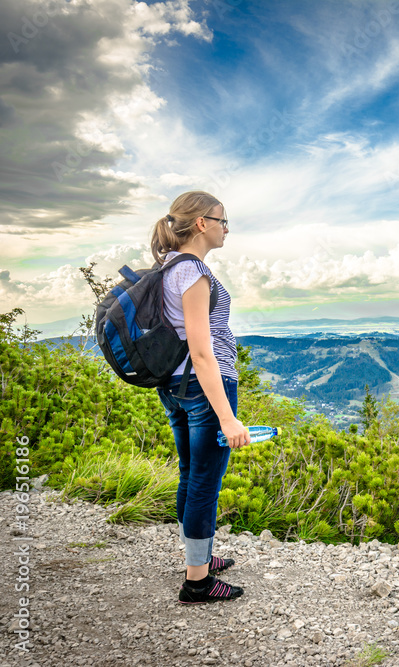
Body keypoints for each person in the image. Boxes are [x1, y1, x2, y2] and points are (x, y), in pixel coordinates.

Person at [150, 190, 250, 604]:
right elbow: (202, 348)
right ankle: (198, 582)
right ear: (203, 224)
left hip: (174, 386)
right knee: (206, 483)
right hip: (204, 387)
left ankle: (199, 556)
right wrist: (228, 417)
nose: (227, 228)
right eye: (223, 220)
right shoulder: (193, 273)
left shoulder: (167, 268)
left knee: (191, 475)